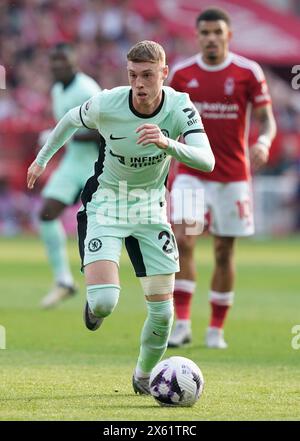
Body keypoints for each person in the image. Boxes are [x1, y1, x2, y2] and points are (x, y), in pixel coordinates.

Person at [27, 40, 215, 394]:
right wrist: (42, 159)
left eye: (147, 75)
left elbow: (207, 160)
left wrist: (167, 143)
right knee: (104, 302)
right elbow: (69, 120)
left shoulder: (179, 106)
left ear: (164, 74)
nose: (139, 84)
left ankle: (143, 377)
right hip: (106, 205)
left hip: (150, 211)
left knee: (163, 315)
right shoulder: (109, 102)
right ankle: (93, 305)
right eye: (132, 75)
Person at [168, 8, 277, 349]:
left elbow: (266, 119)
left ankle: (215, 330)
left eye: (217, 32)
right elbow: (168, 121)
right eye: (205, 33)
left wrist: (263, 141)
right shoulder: (183, 74)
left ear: (228, 35)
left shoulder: (248, 72)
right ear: (197, 36)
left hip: (232, 176)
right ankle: (182, 324)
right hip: (191, 171)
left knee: (223, 251)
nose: (211, 38)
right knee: (183, 239)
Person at [38, 43, 103, 308]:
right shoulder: (57, 89)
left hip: (93, 164)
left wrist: (65, 135)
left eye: (62, 60)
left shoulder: (87, 89)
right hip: (72, 162)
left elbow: (104, 130)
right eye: (53, 60)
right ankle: (64, 280)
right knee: (46, 214)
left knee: (95, 226)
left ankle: (99, 289)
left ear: (74, 62)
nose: (56, 65)